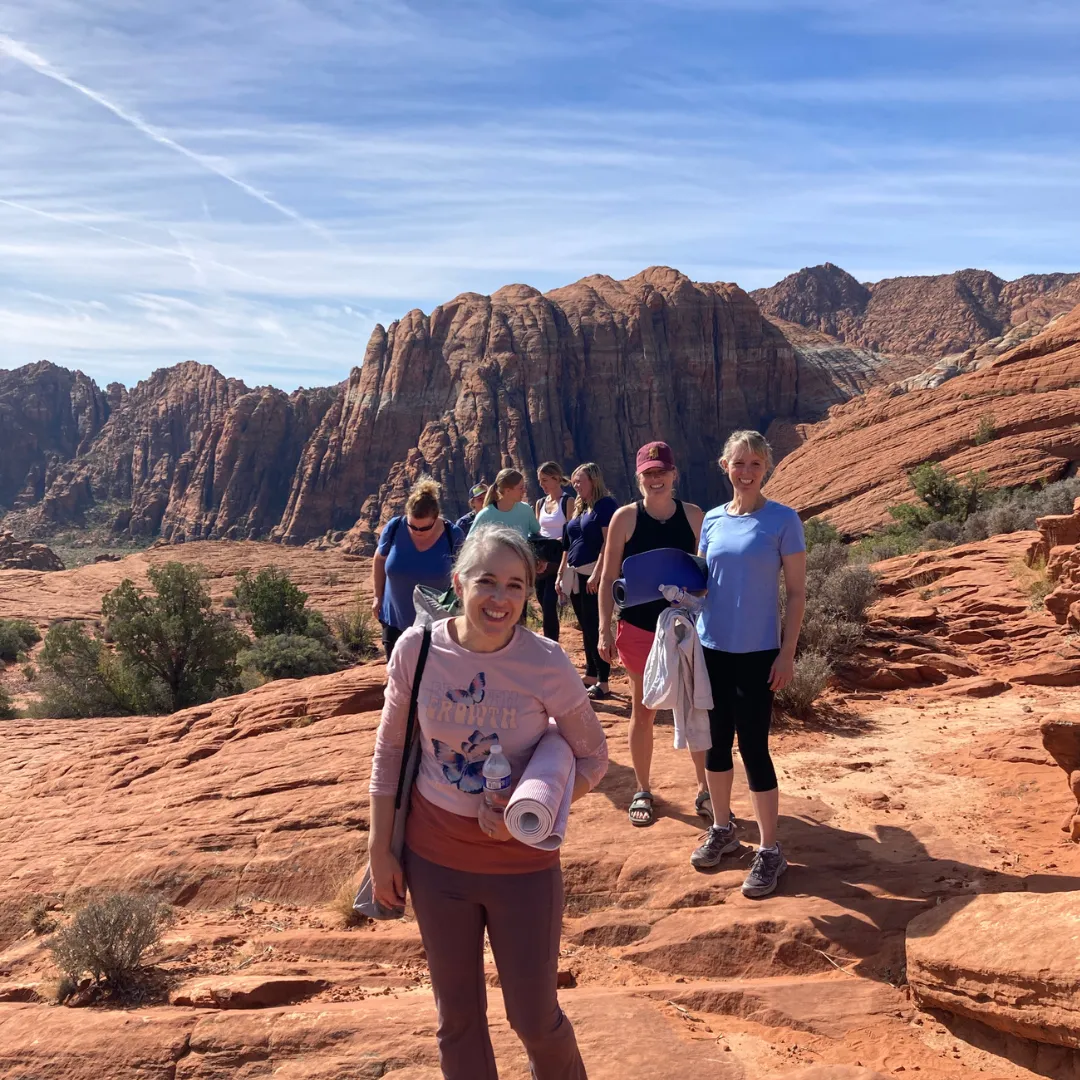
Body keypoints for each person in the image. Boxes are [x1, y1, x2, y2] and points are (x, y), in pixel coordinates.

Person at [368, 523, 608, 1080]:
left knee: (535, 1019)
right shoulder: (417, 650)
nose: (500, 598)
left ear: (529, 592)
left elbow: (593, 757)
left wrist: (532, 816)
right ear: (458, 583)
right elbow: (391, 751)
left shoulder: (545, 661)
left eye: (515, 585)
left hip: (522, 867)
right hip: (434, 861)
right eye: (486, 582)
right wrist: (380, 848)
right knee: (457, 1021)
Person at [688, 431, 806, 897]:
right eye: (739, 463)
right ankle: (723, 829)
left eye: (755, 463)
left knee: (754, 748)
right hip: (711, 649)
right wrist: (678, 594)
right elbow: (702, 582)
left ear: (766, 468)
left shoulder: (783, 520)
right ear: (725, 466)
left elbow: (795, 593)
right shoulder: (713, 520)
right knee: (715, 744)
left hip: (758, 653)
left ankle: (770, 850)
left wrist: (787, 652)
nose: (747, 472)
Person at [598, 441, 707, 828]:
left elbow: (707, 575)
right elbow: (608, 578)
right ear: (638, 477)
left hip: (685, 629)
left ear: (674, 474)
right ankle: (643, 789)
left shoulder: (694, 516)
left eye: (662, 472)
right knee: (643, 710)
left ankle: (705, 789)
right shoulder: (625, 519)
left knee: (694, 707)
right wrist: (604, 629)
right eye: (649, 473)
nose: (656, 479)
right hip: (639, 629)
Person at [370, 478, 465, 660]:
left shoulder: (453, 535)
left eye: (424, 528)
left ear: (436, 518)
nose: (417, 531)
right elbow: (380, 558)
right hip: (394, 621)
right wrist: (377, 597)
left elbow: (464, 573)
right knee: (395, 673)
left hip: (436, 626)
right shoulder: (395, 527)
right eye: (412, 526)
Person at [556, 463, 618, 700]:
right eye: (574, 481)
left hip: (593, 575)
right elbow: (569, 543)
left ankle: (604, 682)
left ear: (594, 480)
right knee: (586, 625)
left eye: (580, 480)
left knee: (595, 626)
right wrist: (561, 573)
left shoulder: (605, 505)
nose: (576, 485)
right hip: (575, 575)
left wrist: (597, 573)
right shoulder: (581, 507)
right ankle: (591, 675)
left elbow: (608, 543)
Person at [534, 462, 574, 642]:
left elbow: (571, 531)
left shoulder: (568, 501)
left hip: (558, 558)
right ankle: (550, 642)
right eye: (539, 480)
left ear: (556, 478)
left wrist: (558, 542)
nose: (541, 484)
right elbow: (536, 532)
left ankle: (551, 645)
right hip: (541, 559)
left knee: (550, 603)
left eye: (544, 480)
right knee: (543, 603)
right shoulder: (540, 503)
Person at [472, 468, 542, 539]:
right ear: (507, 490)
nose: (524, 491)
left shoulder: (526, 510)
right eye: (521, 488)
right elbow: (470, 541)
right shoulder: (486, 515)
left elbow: (536, 534)